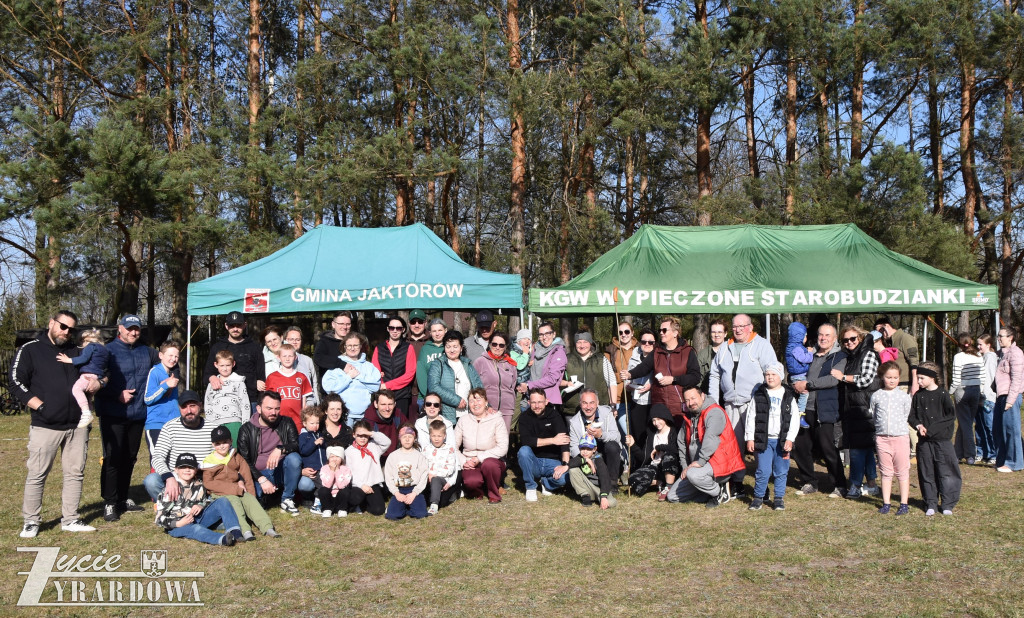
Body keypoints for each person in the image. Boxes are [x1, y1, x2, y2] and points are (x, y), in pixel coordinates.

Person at [12, 309, 96, 537]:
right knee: (37, 474)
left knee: (75, 473)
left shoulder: (76, 351)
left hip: (77, 425)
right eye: (63, 326)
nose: (66, 332)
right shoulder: (30, 350)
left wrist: (98, 384)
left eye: (71, 329)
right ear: (51, 323)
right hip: (45, 425)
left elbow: (99, 370)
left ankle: (70, 519)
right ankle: (31, 521)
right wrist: (39, 406)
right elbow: (15, 381)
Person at [95, 314, 159, 523]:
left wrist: (171, 377)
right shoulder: (107, 351)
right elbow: (94, 379)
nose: (134, 332)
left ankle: (123, 497)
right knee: (113, 456)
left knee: (130, 457)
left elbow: (169, 361)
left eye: (137, 329)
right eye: (130, 328)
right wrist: (116, 394)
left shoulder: (147, 352)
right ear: (119, 328)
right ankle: (110, 501)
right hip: (113, 412)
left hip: (138, 413)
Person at [707, 314, 777, 494]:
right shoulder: (725, 347)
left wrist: (765, 398)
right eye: (735, 326)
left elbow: (772, 371)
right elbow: (715, 374)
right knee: (734, 446)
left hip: (753, 404)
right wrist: (714, 402)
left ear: (750, 327)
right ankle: (737, 482)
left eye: (742, 326)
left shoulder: (762, 345)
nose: (738, 330)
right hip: (730, 405)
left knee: (757, 446)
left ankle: (762, 485)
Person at [791, 323, 848, 497]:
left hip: (825, 409)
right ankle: (809, 481)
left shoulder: (839, 357)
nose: (823, 338)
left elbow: (832, 380)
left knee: (827, 448)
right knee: (801, 447)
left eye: (827, 335)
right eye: (821, 335)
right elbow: (795, 370)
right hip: (804, 409)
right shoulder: (809, 355)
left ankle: (839, 484)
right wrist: (794, 382)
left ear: (834, 338)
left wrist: (808, 384)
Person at [667, 385, 745, 508]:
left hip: (718, 462)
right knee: (672, 496)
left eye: (693, 398)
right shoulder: (688, 417)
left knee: (694, 475)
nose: (690, 403)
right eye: (687, 400)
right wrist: (685, 467)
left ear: (702, 396)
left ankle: (718, 492)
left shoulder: (714, 412)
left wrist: (700, 461)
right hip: (698, 466)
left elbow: (711, 438)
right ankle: (710, 488)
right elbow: (681, 443)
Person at [201, 424, 278, 539]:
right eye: (218, 444)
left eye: (225, 442)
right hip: (220, 493)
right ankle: (245, 530)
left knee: (250, 500)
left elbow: (246, 476)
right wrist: (234, 489)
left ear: (231, 441)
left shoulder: (237, 457)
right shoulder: (209, 462)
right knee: (234, 501)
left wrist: (251, 495)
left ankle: (267, 527)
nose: (222, 446)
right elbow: (208, 483)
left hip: (239, 489)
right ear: (213, 444)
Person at [236, 391, 307, 516]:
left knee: (294, 458)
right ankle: (268, 497)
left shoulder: (286, 422)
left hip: (281, 471)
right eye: (269, 408)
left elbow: (295, 445)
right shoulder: (246, 430)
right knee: (253, 504)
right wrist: (261, 479)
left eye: (277, 408)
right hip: (257, 474)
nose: (273, 413)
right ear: (258, 408)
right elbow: (244, 460)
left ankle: (287, 498)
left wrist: (280, 449)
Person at [621, 316, 699, 426]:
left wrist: (674, 379)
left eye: (664, 330)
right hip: (659, 407)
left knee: (680, 441)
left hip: (680, 408)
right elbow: (644, 367)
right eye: (660, 330)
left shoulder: (688, 352)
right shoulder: (657, 351)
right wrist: (630, 374)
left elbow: (695, 377)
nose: (661, 333)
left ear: (675, 333)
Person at [833, 324, 881, 499]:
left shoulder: (868, 354)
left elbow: (866, 379)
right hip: (853, 406)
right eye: (845, 340)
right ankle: (872, 484)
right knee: (865, 449)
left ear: (860, 338)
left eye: (852, 339)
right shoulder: (851, 356)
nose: (849, 342)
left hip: (864, 407)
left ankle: (854, 485)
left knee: (856, 450)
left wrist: (843, 377)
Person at [744, 363, 800, 511]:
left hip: (782, 440)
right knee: (763, 470)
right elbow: (751, 416)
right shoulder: (759, 395)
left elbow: (794, 419)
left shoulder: (788, 396)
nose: (770, 377)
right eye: (767, 374)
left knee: (781, 470)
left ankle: (779, 498)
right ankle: (758, 498)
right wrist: (750, 437)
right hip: (763, 440)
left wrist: (790, 438)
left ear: (780, 376)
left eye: (773, 374)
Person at [155, 453, 241, 546]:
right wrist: (178, 523)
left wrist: (201, 505)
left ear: (195, 470)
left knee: (222, 501)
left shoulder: (199, 485)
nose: (187, 470)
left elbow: (205, 500)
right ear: (176, 470)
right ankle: (222, 539)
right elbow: (159, 519)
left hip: (197, 518)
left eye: (191, 467)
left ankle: (235, 531)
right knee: (196, 529)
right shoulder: (170, 490)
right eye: (183, 467)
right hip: (178, 526)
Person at [144, 390, 215, 503]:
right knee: (151, 481)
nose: (189, 411)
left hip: (203, 478)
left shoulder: (213, 428)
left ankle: (199, 504)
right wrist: (169, 478)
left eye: (192, 406)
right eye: (184, 407)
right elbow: (157, 457)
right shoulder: (169, 427)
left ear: (200, 406)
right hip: (176, 478)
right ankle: (173, 506)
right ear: (179, 408)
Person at [910, 362, 962, 515]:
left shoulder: (943, 394)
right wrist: (919, 425)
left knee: (946, 472)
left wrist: (931, 429)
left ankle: (947, 503)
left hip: (942, 441)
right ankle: (930, 502)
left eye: (921, 378)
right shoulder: (918, 396)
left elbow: (950, 416)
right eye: (917, 378)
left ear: (932, 377)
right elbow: (912, 416)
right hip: (924, 442)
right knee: (927, 472)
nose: (918, 382)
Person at [874, 315, 921, 460]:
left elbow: (914, 362)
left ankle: (916, 450)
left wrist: (915, 383)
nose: (879, 335)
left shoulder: (905, 338)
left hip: (905, 384)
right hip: (893, 386)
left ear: (886, 326)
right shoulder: (889, 342)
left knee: (906, 418)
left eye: (879, 331)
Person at [870, 362, 912, 516]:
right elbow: (874, 414)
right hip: (882, 439)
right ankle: (886, 502)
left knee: (902, 471)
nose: (892, 380)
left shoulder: (903, 396)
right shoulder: (876, 395)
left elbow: (906, 414)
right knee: (886, 472)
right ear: (882, 377)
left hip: (900, 437)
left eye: (895, 377)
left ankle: (903, 503)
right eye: (889, 377)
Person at [454, 387, 509, 503]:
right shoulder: (463, 420)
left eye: (479, 400)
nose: (475, 404)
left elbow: (503, 447)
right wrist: (464, 461)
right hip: (469, 461)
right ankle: (478, 491)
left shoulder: (497, 419)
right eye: (471, 401)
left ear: (486, 402)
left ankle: (494, 494)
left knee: (489, 464)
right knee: (471, 482)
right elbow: (453, 446)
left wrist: (479, 458)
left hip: (492, 460)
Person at [203, 311, 265, 413]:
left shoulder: (254, 347)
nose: (235, 329)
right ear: (226, 326)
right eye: (232, 326)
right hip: (223, 399)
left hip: (251, 400)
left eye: (238, 325)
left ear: (245, 325)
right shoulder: (217, 347)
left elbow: (261, 376)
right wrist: (212, 377)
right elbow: (207, 375)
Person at [518, 388, 570, 501]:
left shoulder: (555, 415)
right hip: (534, 461)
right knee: (523, 451)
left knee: (566, 477)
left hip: (553, 462)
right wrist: (553, 440)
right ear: (529, 403)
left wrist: (565, 464)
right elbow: (526, 441)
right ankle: (530, 486)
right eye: (533, 402)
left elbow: (564, 441)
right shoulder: (524, 418)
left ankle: (546, 483)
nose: (537, 405)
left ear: (546, 401)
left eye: (540, 402)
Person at [322, 332, 381, 427]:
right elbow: (329, 388)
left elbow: (375, 387)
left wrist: (358, 376)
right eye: (349, 345)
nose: (352, 348)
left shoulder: (369, 367)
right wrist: (348, 377)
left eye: (355, 345)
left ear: (361, 346)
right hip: (343, 415)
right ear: (344, 346)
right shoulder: (337, 366)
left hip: (364, 415)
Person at [56, 327, 108, 428]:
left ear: (85, 340)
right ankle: (88, 415)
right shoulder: (104, 350)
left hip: (88, 375)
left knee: (76, 389)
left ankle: (86, 413)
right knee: (87, 396)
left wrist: (69, 360)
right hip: (96, 376)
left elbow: (83, 359)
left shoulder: (91, 346)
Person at [428, 331, 483, 424]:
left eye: (455, 346)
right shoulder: (438, 364)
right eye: (448, 347)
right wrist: (456, 400)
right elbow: (433, 387)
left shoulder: (468, 365)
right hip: (447, 416)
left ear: (461, 348)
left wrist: (486, 406)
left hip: (468, 416)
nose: (452, 350)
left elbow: (479, 389)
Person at [567, 389, 622, 482]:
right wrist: (585, 459)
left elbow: (617, 436)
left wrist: (601, 435)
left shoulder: (607, 413)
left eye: (592, 403)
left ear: (597, 403)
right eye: (584, 403)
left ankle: (613, 483)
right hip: (588, 458)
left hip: (607, 456)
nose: (588, 407)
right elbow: (573, 447)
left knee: (612, 446)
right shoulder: (574, 422)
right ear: (580, 403)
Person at [625, 405, 679, 499]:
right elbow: (644, 457)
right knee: (633, 479)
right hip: (654, 467)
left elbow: (676, 450)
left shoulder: (674, 431)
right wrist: (633, 445)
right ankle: (660, 483)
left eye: (658, 419)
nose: (656, 423)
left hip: (670, 467)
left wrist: (659, 447)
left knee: (668, 456)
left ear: (665, 417)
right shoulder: (651, 434)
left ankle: (669, 485)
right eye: (653, 420)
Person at [950, 333, 986, 465]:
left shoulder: (958, 357)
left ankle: (970, 454)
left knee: (966, 423)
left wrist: (950, 392)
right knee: (965, 422)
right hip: (976, 390)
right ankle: (958, 453)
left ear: (959, 344)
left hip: (962, 390)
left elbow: (956, 378)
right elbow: (982, 377)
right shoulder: (978, 356)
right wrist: (981, 391)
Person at [516, 321, 568, 413]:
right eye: (541, 335)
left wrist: (528, 385)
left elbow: (552, 379)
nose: (544, 337)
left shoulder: (558, 352)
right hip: (530, 399)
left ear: (554, 334)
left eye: (547, 333)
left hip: (547, 402)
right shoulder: (535, 349)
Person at [473, 330, 519, 432]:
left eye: (501, 345)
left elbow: (513, 384)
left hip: (506, 409)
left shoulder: (510, 364)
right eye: (494, 344)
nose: (497, 347)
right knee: (486, 440)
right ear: (489, 344)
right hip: (486, 408)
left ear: (505, 347)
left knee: (503, 442)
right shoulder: (480, 361)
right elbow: (474, 386)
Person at [372, 315, 417, 416]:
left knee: (400, 426)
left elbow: (409, 374)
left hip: (402, 395)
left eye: (398, 328)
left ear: (403, 330)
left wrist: (387, 385)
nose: (395, 331)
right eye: (392, 328)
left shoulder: (408, 348)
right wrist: (382, 385)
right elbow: (375, 372)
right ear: (388, 329)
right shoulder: (379, 348)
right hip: (383, 395)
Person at [143, 341, 181, 455]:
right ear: (161, 355)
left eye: (176, 356)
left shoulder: (172, 374)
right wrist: (165, 386)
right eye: (170, 355)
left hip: (173, 424)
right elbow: (148, 399)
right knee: (158, 461)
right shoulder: (155, 372)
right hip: (157, 425)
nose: (173, 359)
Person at [204, 350, 249, 446]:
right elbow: (208, 404)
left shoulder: (239, 382)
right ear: (216, 365)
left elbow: (245, 404)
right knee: (219, 451)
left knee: (235, 450)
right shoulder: (212, 384)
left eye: (228, 365)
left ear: (233, 364)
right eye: (222, 365)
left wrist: (245, 425)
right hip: (216, 423)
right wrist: (210, 423)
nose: (225, 368)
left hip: (234, 422)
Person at [383, 424, 429, 520]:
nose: (407, 439)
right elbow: (388, 476)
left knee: (421, 514)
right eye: (404, 437)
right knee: (392, 515)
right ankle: (400, 507)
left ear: (414, 438)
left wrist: (414, 493)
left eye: (410, 437)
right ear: (400, 438)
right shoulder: (393, 456)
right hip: (399, 490)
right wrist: (396, 493)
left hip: (414, 490)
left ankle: (410, 507)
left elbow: (424, 476)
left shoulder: (419, 456)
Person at [994, 326, 1024, 473]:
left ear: (1011, 337)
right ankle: (1002, 460)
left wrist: (1010, 400)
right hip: (1000, 396)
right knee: (999, 430)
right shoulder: (1000, 354)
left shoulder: (1016, 354)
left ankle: (1014, 463)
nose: (999, 338)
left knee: (1011, 430)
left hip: (1010, 396)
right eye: (998, 336)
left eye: (1002, 336)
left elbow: (1017, 379)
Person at [624, 330, 656, 466]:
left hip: (652, 401)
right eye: (644, 341)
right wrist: (629, 385)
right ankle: (637, 468)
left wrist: (651, 386)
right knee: (637, 436)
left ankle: (652, 467)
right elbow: (628, 377)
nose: (647, 344)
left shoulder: (658, 356)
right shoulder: (634, 355)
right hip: (637, 402)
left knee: (651, 436)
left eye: (651, 342)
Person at [345, 421, 391, 516]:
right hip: (357, 485)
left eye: (365, 435)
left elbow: (387, 442)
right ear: (354, 435)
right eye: (359, 435)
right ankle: (357, 503)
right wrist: (361, 485)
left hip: (372, 484)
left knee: (378, 510)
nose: (362, 438)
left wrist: (371, 433)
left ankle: (364, 504)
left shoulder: (374, 446)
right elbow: (348, 472)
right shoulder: (349, 451)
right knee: (355, 498)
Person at [265, 343, 314, 429]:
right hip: (278, 421)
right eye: (284, 356)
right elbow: (268, 401)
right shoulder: (272, 377)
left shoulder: (301, 377)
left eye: (290, 356)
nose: (287, 359)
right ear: (279, 358)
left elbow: (304, 402)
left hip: (297, 422)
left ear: (295, 357)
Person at [562, 330, 613, 412]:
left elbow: (612, 382)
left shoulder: (601, 359)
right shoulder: (566, 359)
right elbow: (557, 380)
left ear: (590, 343)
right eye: (579, 342)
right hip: (572, 409)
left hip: (598, 409)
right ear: (575, 344)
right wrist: (566, 383)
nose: (582, 345)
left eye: (585, 342)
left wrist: (613, 405)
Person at [567, 436, 616, 509]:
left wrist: (603, 496)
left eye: (589, 449)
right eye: (582, 448)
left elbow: (605, 478)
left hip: (599, 489)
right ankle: (585, 496)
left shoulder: (598, 460)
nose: (585, 451)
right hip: (588, 487)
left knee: (611, 503)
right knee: (573, 470)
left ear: (594, 449)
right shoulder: (580, 457)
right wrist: (585, 460)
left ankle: (600, 498)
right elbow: (570, 463)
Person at [606, 321, 637, 430]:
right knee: (626, 433)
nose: (623, 334)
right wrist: (619, 376)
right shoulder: (611, 350)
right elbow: (606, 375)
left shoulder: (640, 348)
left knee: (636, 435)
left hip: (637, 399)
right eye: (620, 332)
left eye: (627, 331)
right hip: (620, 400)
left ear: (632, 333)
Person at [363, 389, 410, 462]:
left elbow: (410, 432)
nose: (387, 408)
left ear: (395, 404)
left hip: (397, 458)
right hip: (376, 461)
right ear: (376, 404)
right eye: (383, 404)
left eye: (390, 404)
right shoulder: (368, 422)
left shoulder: (398, 416)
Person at [423, 420, 459, 514]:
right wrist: (427, 475)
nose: (436, 439)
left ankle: (434, 505)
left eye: (439, 436)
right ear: (430, 436)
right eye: (434, 436)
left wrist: (433, 475)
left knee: (435, 480)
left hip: (442, 479)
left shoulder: (449, 449)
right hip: (427, 478)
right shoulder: (426, 449)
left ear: (444, 436)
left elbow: (451, 468)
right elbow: (422, 465)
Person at [313, 311, 354, 393]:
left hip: (352, 391)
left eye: (347, 324)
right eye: (341, 324)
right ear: (333, 324)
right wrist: (342, 365)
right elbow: (318, 358)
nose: (344, 327)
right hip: (331, 393)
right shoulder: (324, 342)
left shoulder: (355, 342)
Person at [297, 406, 327, 514]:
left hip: (323, 467)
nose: (315, 426)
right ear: (304, 423)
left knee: (326, 483)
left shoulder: (319, 434)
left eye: (317, 423)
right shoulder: (303, 436)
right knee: (323, 485)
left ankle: (323, 502)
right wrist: (314, 443)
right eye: (312, 423)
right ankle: (317, 504)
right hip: (313, 468)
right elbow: (303, 450)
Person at [784, 321, 814, 423]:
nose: (806, 339)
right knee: (804, 393)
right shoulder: (796, 348)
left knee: (797, 394)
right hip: (799, 375)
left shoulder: (792, 346)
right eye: (805, 336)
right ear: (800, 336)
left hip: (797, 374)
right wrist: (810, 353)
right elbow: (804, 359)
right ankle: (800, 413)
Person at [283, 326, 320, 406]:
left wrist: (316, 403)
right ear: (285, 340)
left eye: (297, 340)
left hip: (308, 405)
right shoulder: (280, 360)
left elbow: (314, 383)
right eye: (291, 339)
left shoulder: (307, 360)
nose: (294, 342)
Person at [976, 333, 999, 464]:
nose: (978, 347)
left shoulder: (990, 358)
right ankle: (983, 451)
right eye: (978, 344)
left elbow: (988, 378)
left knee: (989, 426)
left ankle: (994, 453)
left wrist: (984, 393)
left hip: (987, 397)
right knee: (980, 427)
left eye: (981, 344)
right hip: (980, 397)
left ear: (988, 345)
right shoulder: (982, 357)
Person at [318, 446, 353, 518]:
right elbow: (327, 485)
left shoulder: (346, 469)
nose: (334, 459)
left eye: (337, 456)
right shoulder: (324, 468)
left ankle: (342, 509)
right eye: (332, 457)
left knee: (345, 490)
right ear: (328, 458)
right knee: (322, 490)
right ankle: (327, 509)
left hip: (340, 497)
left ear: (341, 458)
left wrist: (337, 470)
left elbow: (341, 486)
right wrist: (331, 470)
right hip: (329, 496)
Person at [416, 319, 447, 400]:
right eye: (434, 331)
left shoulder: (450, 348)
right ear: (430, 333)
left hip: (447, 396)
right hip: (426, 396)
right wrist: (427, 395)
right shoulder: (425, 349)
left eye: (440, 330)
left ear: (445, 330)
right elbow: (421, 373)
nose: (437, 334)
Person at [406, 309, 430, 406]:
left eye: (420, 322)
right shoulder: (402, 343)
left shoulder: (432, 343)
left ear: (425, 323)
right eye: (413, 322)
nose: (416, 325)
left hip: (427, 394)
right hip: (407, 393)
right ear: (409, 323)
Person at [697, 319, 727, 394]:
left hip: (728, 397)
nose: (716, 335)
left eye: (720, 332)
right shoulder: (703, 354)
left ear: (725, 334)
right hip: (708, 396)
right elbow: (698, 378)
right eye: (713, 332)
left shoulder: (732, 352)